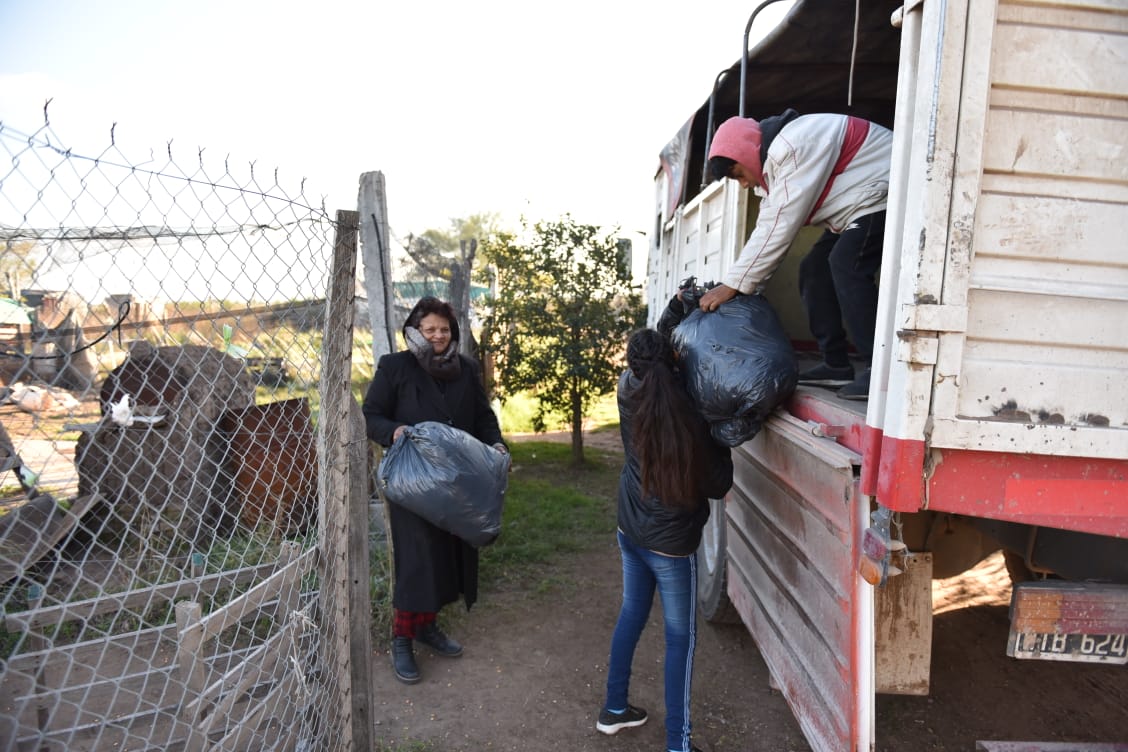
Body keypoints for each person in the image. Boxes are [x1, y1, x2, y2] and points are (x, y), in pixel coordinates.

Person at [597, 328, 734, 752]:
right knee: (681, 640)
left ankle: (614, 710)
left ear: (631, 365)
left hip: (630, 527)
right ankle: (678, 744)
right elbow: (718, 485)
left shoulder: (625, 390)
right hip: (670, 545)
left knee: (631, 613)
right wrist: (723, 438)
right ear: (675, 360)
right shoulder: (694, 415)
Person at [698, 110, 893, 400]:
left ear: (746, 152)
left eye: (739, 174)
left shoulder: (791, 145)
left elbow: (780, 225)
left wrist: (733, 285)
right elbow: (768, 227)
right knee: (814, 269)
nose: (745, 184)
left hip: (887, 194)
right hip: (861, 204)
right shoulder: (776, 166)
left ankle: (882, 371)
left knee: (846, 264)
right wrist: (742, 286)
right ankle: (836, 364)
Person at [362, 296, 507, 685]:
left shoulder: (466, 369)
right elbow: (371, 414)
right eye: (430, 329)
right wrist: (392, 432)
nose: (438, 335)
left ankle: (427, 628)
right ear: (415, 331)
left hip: (457, 482)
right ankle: (402, 639)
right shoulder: (396, 367)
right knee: (416, 559)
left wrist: (497, 445)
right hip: (413, 482)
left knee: (446, 554)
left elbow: (482, 417)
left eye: (444, 329)